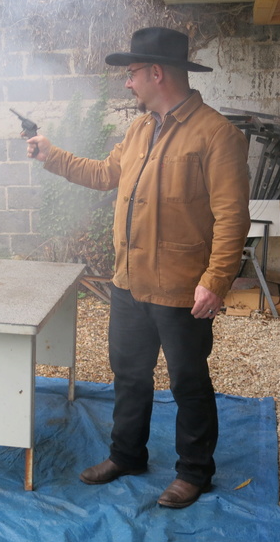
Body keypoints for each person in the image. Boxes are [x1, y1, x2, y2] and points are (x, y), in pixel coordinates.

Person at [26, 27, 250, 509]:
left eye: (131, 74)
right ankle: (127, 455)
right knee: (128, 375)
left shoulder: (216, 135)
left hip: (182, 290)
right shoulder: (139, 129)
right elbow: (106, 174)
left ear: (156, 73)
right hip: (128, 284)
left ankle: (194, 472)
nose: (126, 84)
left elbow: (233, 216)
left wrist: (216, 281)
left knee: (188, 382)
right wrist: (51, 156)